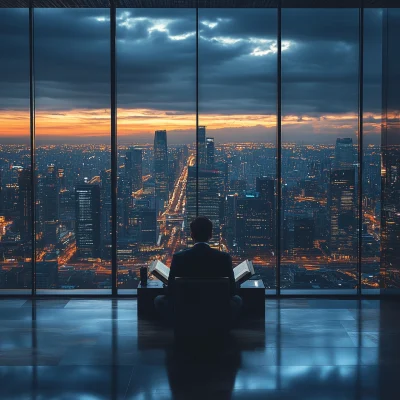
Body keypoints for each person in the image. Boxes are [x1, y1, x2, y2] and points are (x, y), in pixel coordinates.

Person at [154, 216, 242, 324]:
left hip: (186, 307)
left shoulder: (179, 258)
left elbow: (171, 290)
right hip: (215, 307)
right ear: (210, 235)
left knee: (159, 300)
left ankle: (180, 325)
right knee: (237, 300)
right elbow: (232, 290)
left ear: (192, 235)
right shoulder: (224, 258)